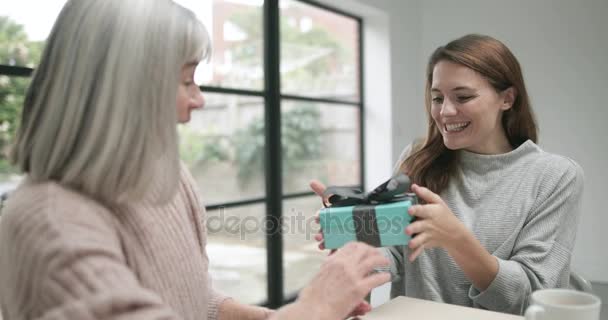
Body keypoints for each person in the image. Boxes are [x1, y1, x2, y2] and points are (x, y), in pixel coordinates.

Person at [0, 1, 390, 319]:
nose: (199, 99)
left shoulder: (166, 176)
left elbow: (191, 296)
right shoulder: (50, 224)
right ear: (124, 89)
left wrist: (280, 316)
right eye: (186, 80)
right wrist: (314, 309)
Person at [312, 34, 584, 315]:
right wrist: (354, 238)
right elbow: (393, 253)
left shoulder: (556, 176)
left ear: (507, 98)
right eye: (437, 97)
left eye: (463, 97)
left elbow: (531, 299)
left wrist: (456, 238)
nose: (445, 111)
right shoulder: (418, 158)